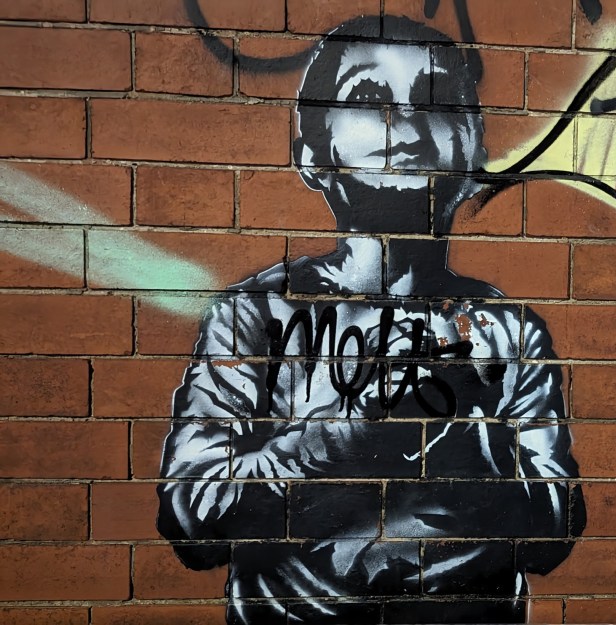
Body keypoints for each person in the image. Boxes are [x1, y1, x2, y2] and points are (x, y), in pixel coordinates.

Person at [157, 15, 584, 625]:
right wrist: (361, 427)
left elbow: (553, 531)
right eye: (367, 97)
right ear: (312, 154)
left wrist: (472, 429)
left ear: (475, 153)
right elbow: (194, 520)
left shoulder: (508, 332)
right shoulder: (256, 316)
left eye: (436, 100)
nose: (406, 123)